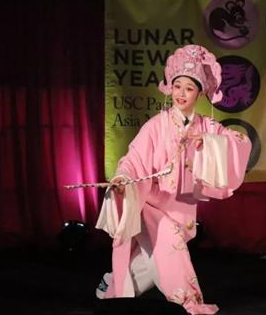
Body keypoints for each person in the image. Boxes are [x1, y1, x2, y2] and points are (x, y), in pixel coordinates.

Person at [95, 44, 252, 315]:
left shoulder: (207, 126)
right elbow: (134, 159)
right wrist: (123, 178)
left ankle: (115, 284)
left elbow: (240, 141)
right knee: (171, 246)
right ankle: (189, 302)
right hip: (152, 204)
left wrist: (209, 141)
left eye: (188, 88)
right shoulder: (156, 125)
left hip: (182, 208)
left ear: (199, 93)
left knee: (156, 259)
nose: (181, 93)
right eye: (177, 86)